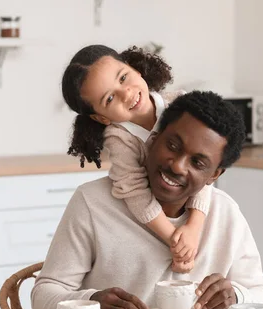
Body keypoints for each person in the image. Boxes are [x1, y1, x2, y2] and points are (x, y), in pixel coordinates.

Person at [32, 90, 263, 309]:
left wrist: (236, 295)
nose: (177, 166)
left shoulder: (226, 213)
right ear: (154, 138)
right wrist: (92, 303)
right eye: (173, 146)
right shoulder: (92, 202)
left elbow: (262, 295)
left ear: (214, 175)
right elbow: (43, 297)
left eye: (197, 163)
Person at [61, 44, 211, 272]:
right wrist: (176, 242)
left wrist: (193, 227)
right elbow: (135, 192)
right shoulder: (120, 139)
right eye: (110, 98)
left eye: (123, 78)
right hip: (151, 230)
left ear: (135, 69)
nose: (126, 94)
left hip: (197, 215)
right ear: (101, 118)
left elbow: (203, 166)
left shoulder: (183, 105)